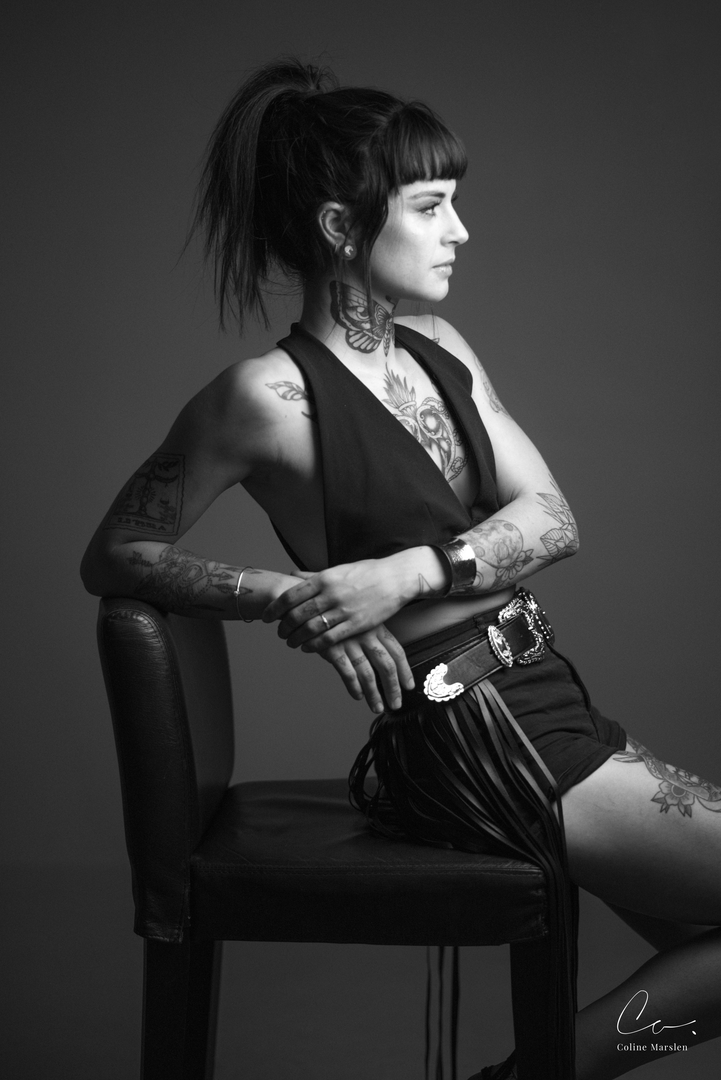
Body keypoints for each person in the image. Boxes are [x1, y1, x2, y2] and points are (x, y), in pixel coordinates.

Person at [81, 58, 721, 1080]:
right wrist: (293, 595)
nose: (458, 231)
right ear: (342, 227)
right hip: (475, 734)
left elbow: (552, 520)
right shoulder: (264, 399)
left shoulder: (439, 345)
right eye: (430, 206)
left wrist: (407, 573)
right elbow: (117, 552)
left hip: (541, 697)